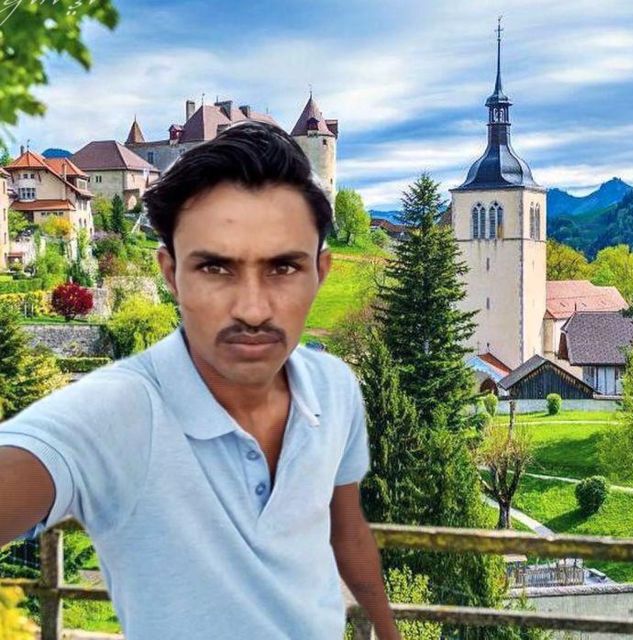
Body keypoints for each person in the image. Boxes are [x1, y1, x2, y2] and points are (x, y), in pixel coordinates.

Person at [0, 121, 402, 639]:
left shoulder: (333, 385)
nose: (253, 309)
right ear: (170, 274)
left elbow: (346, 531)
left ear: (320, 272)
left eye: (283, 268)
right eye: (215, 268)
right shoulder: (123, 409)